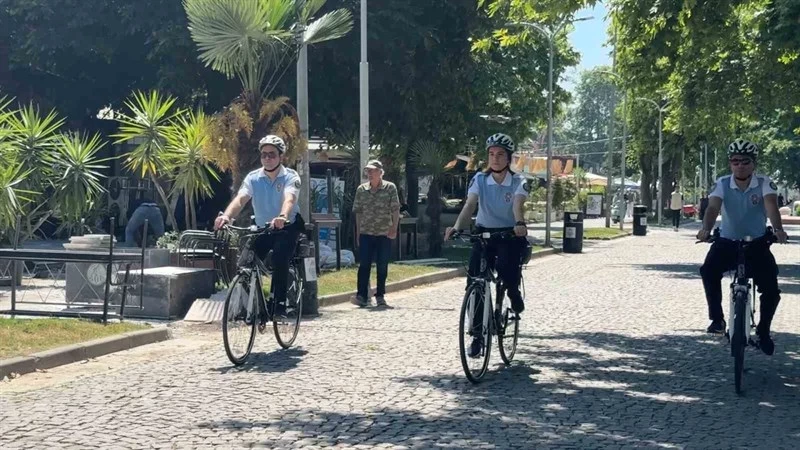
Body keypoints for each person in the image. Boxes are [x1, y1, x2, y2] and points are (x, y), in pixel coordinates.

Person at [696, 139, 788, 355]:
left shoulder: (765, 183)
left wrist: (778, 229)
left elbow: (771, 207)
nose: (740, 166)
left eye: (745, 162)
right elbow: (712, 208)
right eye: (735, 161)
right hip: (727, 242)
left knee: (771, 290)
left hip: (756, 244)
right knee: (708, 271)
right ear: (730, 163)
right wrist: (706, 229)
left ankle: (763, 330)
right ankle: (717, 319)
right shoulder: (722, 183)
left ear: (753, 164)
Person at [444, 133, 530, 358]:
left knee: (505, 267)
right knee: (475, 279)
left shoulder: (519, 181)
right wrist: (455, 227)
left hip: (509, 234)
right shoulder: (479, 180)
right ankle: (477, 336)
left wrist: (519, 223)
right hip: (483, 233)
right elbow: (470, 205)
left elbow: (517, 205)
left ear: (509, 158)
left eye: (501, 155)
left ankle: (512, 291)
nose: (495, 159)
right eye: (491, 154)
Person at [214, 135, 304, 315]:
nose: (267, 159)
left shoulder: (290, 176)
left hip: (286, 226)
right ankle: (249, 305)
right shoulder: (253, 178)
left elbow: (289, 198)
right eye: (264, 155)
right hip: (263, 227)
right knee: (245, 263)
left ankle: (279, 302)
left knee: (280, 258)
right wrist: (226, 216)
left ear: (281, 157)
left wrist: (282, 216)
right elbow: (240, 199)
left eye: (272, 155)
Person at [351, 160, 401, 308]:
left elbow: (395, 210)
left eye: (373, 171)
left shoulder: (390, 188)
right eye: (368, 171)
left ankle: (380, 295)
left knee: (382, 265)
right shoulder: (361, 190)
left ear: (380, 172)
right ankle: (362, 295)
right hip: (366, 232)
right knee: (364, 265)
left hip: (383, 233)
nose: (370, 174)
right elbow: (358, 213)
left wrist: (394, 228)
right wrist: (358, 233)